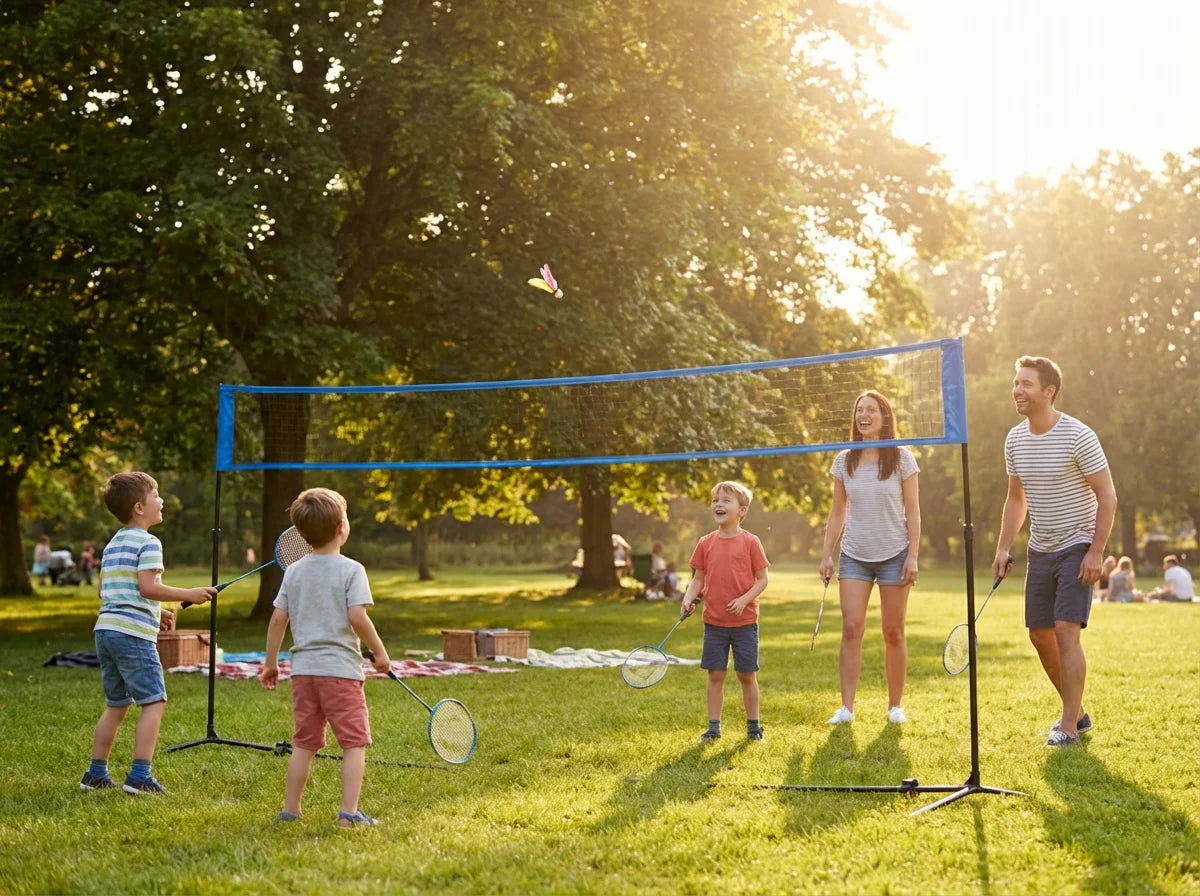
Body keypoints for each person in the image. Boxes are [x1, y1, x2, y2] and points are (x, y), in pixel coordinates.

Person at [992, 357, 1117, 747]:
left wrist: (1096, 550)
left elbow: (1107, 495)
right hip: (1040, 547)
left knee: (1066, 631)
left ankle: (1065, 727)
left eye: (1026, 384)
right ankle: (1077, 714)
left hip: (1077, 543)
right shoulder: (1014, 439)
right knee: (1039, 635)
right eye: (1016, 383)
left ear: (1049, 391)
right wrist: (1002, 547)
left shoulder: (1079, 436)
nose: (1017, 390)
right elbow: (1016, 498)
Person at [258, 487, 391, 827]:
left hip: (303, 673)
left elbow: (277, 619)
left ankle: (291, 810)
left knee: (303, 743)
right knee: (354, 744)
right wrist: (380, 652)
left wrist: (271, 664)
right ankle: (348, 814)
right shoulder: (352, 570)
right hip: (340, 673)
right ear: (341, 528)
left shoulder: (295, 571)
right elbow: (358, 616)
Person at [80, 472, 216, 794]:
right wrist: (190, 593)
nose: (162, 500)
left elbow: (108, 589)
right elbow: (147, 586)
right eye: (157, 495)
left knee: (116, 704)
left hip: (106, 630)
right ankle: (139, 777)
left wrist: (158, 611)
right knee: (154, 702)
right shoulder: (150, 542)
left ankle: (95, 774)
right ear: (140, 507)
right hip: (131, 635)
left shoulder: (113, 543)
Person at [819, 389, 921, 725]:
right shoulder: (843, 460)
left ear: (885, 417)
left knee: (894, 631)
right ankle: (846, 708)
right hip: (854, 555)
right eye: (860, 410)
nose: (864, 415)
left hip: (895, 553)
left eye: (872, 410)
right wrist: (827, 554)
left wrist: (913, 555)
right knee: (851, 628)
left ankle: (895, 707)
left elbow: (913, 511)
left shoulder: (903, 459)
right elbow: (837, 512)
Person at [680, 481, 770, 742]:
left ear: (742, 511)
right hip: (714, 623)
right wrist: (688, 597)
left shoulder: (751, 542)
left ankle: (754, 728)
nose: (718, 504)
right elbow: (698, 579)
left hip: (745, 623)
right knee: (716, 673)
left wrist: (743, 600)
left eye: (725, 500)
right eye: (715, 500)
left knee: (746, 674)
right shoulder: (706, 543)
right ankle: (713, 727)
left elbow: (763, 579)